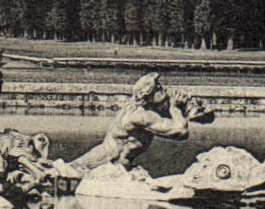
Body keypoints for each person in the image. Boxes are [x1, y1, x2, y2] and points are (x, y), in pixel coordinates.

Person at [67, 72, 196, 173]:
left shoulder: (140, 107)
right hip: (102, 164)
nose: (162, 87)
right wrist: (175, 108)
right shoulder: (140, 116)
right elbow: (181, 132)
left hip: (110, 162)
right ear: (147, 93)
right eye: (158, 88)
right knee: (68, 172)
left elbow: (204, 118)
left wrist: (190, 105)